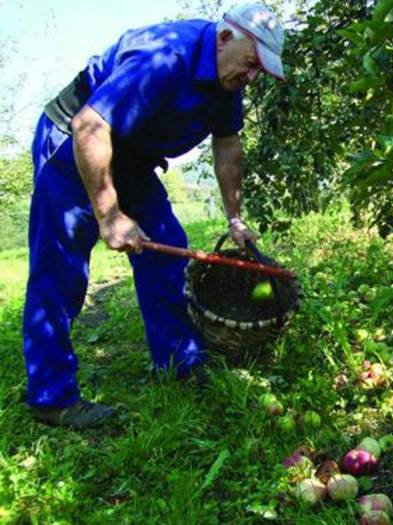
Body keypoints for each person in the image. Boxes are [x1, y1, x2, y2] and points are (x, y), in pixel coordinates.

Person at [22, 1, 286, 428]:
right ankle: (51, 396)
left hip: (132, 154)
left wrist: (235, 218)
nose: (252, 77)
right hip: (74, 145)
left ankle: (179, 362)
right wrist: (109, 216)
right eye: (253, 64)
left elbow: (228, 146)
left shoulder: (227, 81)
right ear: (224, 39)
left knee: (167, 248)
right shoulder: (165, 58)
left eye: (261, 73)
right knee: (61, 268)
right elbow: (90, 126)